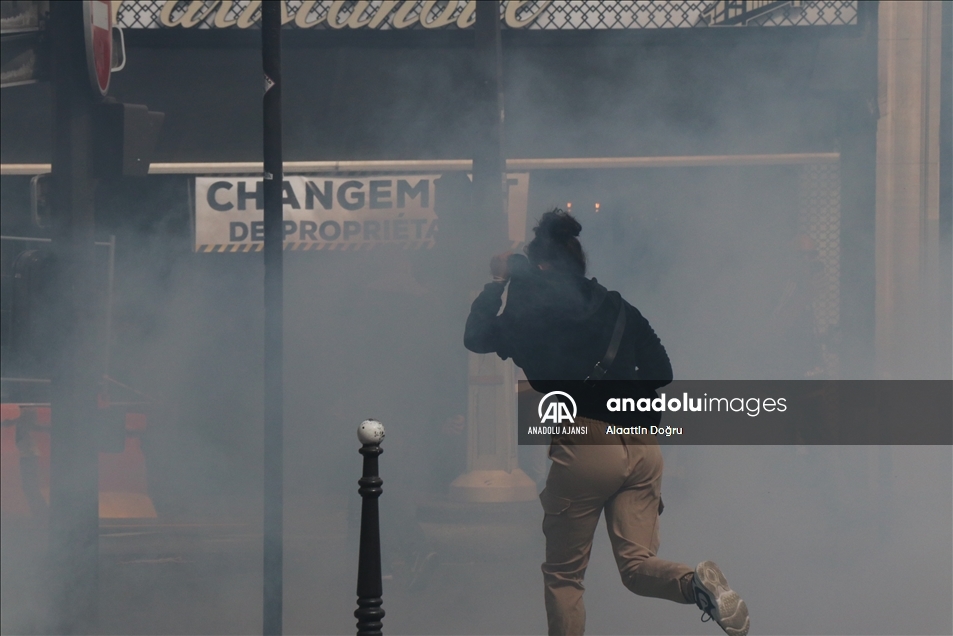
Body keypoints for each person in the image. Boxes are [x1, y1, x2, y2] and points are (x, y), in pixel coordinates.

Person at [464, 209, 750, 636]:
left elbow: (475, 336)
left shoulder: (529, 313)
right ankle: (695, 585)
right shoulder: (617, 305)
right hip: (643, 445)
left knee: (564, 575)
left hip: (585, 443)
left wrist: (498, 281)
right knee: (636, 565)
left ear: (539, 266)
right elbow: (662, 372)